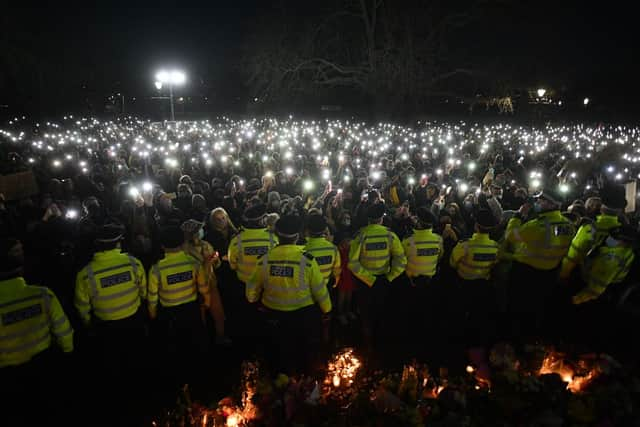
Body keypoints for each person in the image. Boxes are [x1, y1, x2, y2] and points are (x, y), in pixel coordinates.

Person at [1, 238, 74, 423]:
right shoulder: (42, 295)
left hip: (8, 379)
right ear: (21, 270)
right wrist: (68, 353)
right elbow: (63, 329)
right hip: (43, 366)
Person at [246, 215, 331, 374]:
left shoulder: (264, 260)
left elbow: (251, 291)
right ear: (297, 236)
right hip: (302, 316)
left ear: (277, 236)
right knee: (302, 354)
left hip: (274, 315)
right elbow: (320, 290)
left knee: (278, 355)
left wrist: (255, 301)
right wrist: (327, 310)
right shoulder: (307, 261)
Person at [503, 187, 575, 340]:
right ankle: (532, 339)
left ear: (550, 204)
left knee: (517, 308)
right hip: (550, 273)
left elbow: (510, 236)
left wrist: (518, 216)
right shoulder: (568, 225)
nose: (537, 202)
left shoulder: (538, 225)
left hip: (525, 273)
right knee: (537, 308)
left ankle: (513, 338)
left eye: (541, 200)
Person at [148, 225, 210, 387]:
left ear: (162, 246)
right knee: (195, 345)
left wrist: (153, 314)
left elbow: (152, 297)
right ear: (183, 244)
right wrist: (207, 302)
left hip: (170, 314)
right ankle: (199, 378)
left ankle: (181, 382)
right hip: (191, 310)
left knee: (176, 348)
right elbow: (203, 288)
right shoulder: (193, 263)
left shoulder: (156, 269)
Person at [348, 203, 407, 361]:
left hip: (366, 283)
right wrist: (390, 277)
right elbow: (401, 261)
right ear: (382, 219)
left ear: (368, 219)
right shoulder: (390, 235)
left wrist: (369, 279)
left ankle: (368, 348)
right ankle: (383, 350)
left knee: (366, 315)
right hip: (384, 281)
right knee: (383, 313)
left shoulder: (361, 235)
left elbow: (352, 263)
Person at [449, 210, 500, 376]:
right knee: (478, 317)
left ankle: (460, 346)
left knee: (462, 316)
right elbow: (494, 265)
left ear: (476, 226)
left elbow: (452, 262)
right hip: (483, 286)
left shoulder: (465, 245)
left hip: (464, 285)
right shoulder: (494, 247)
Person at [400, 207, 443, 360]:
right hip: (430, 284)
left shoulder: (408, 240)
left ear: (418, 222)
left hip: (411, 285)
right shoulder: (438, 240)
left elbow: (402, 260)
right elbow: (439, 258)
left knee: (411, 318)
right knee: (427, 317)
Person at [182, 219, 228, 344]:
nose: (201, 231)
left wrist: (215, 260)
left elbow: (216, 264)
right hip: (202, 286)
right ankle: (213, 339)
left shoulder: (197, 246)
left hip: (201, 286)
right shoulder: (189, 249)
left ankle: (212, 340)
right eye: (198, 230)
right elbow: (214, 265)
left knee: (211, 316)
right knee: (211, 315)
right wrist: (211, 262)